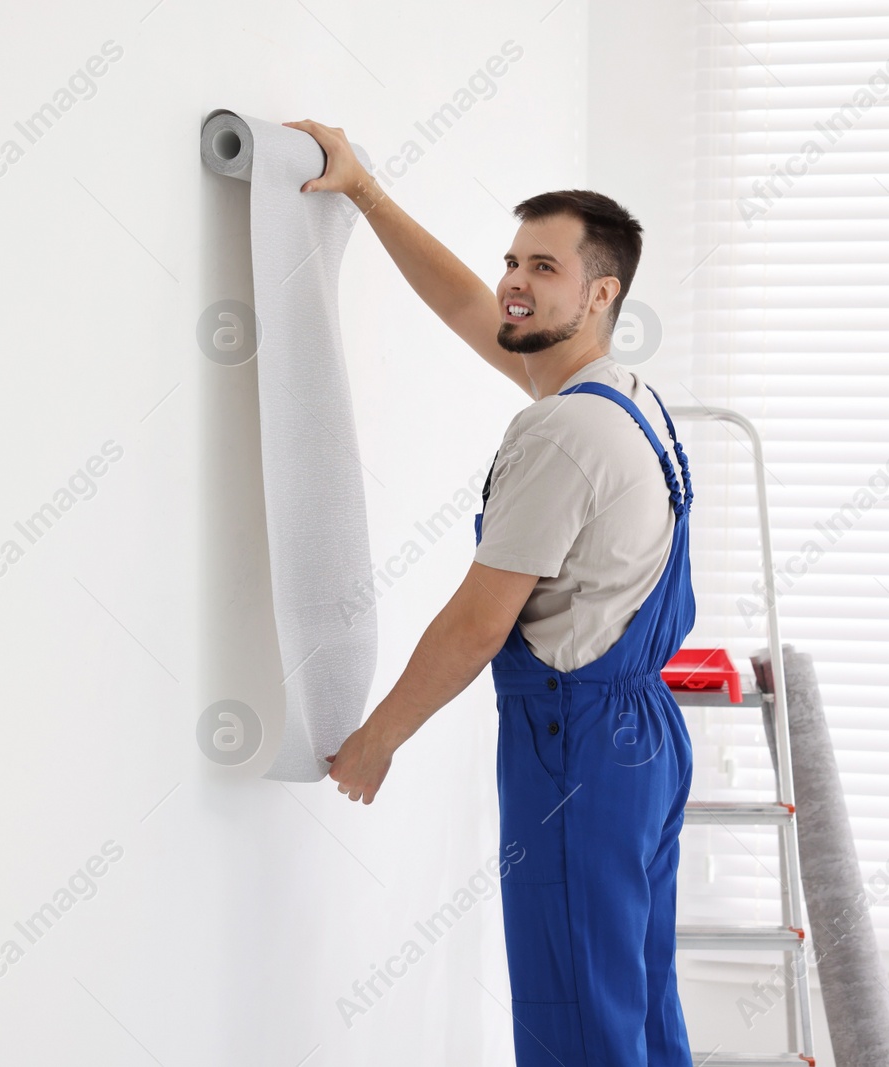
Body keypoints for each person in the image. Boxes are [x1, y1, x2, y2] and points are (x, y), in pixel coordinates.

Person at [290, 118, 697, 1067]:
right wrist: (364, 190)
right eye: (514, 258)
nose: (514, 280)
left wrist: (373, 742)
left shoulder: (560, 436)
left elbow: (479, 625)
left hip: (578, 749)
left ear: (601, 293)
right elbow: (472, 308)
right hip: (644, 738)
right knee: (632, 1000)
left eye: (543, 268)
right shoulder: (623, 395)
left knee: (578, 1023)